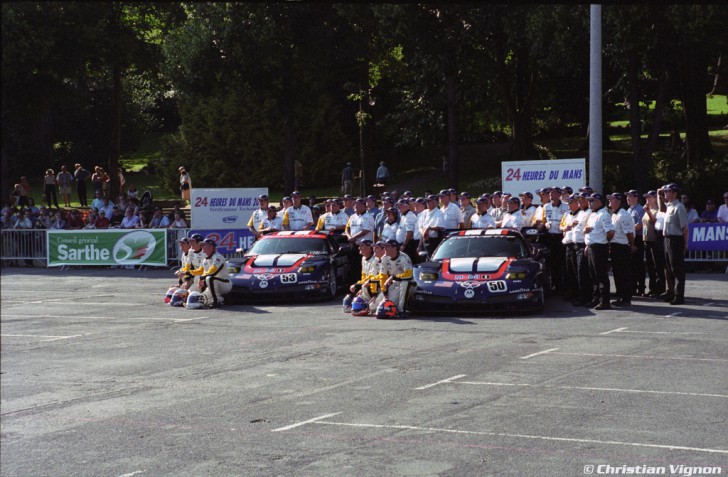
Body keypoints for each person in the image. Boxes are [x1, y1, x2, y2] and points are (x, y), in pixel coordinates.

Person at [583, 193, 614, 310]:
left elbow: (610, 232)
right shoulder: (592, 214)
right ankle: (596, 298)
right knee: (593, 275)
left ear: (600, 202)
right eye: (589, 201)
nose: (589, 203)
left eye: (592, 201)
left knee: (601, 275)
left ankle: (604, 301)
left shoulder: (604, 215)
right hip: (592, 246)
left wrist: (604, 242)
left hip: (599, 247)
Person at [659, 183, 689, 305]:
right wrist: (659, 195)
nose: (665, 193)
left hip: (676, 240)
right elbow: (661, 207)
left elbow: (685, 228)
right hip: (667, 239)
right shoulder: (669, 206)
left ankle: (679, 296)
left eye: (667, 191)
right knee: (669, 268)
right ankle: (672, 293)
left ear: (674, 193)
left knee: (677, 269)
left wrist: (685, 244)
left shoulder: (679, 207)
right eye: (665, 192)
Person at [607, 192, 636, 307]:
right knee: (617, 273)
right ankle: (620, 295)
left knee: (624, 273)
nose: (609, 201)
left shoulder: (623, 215)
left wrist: (631, 245)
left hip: (622, 247)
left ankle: (626, 298)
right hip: (615, 246)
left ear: (618, 201)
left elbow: (629, 233)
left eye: (612, 199)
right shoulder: (614, 214)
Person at [189, 238, 232, 308]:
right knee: (197, 278)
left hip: (224, 284)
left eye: (204, 245)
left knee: (209, 278)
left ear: (211, 247)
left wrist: (203, 278)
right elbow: (200, 271)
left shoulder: (218, 257)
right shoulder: (205, 259)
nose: (202, 247)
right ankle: (198, 298)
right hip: (213, 283)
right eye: (201, 245)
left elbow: (213, 271)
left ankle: (217, 301)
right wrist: (190, 272)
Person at [543, 187, 569, 294]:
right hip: (550, 237)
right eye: (549, 192)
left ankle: (563, 286)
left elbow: (568, 220)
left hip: (561, 237)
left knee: (562, 263)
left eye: (553, 192)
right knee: (551, 262)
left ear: (559, 194)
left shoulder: (566, 206)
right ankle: (554, 285)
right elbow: (544, 220)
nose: (550, 194)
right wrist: (546, 224)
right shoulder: (546, 206)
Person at [380, 239, 414, 317]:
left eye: (387, 246)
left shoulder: (404, 257)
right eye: (384, 246)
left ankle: (402, 310)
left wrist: (393, 277)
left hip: (409, 284)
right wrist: (384, 292)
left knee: (405, 283)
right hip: (394, 284)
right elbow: (383, 276)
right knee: (377, 307)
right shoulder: (384, 258)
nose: (385, 249)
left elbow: (408, 275)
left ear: (395, 248)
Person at [642, 190, 665, 297]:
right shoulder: (648, 209)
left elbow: (656, 222)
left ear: (655, 198)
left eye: (649, 197)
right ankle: (653, 288)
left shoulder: (657, 210)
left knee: (657, 266)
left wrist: (648, 212)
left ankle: (659, 289)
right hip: (647, 240)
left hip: (654, 240)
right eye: (646, 197)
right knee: (650, 266)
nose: (647, 199)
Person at [626, 190, 646, 297]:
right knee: (631, 264)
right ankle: (633, 287)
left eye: (630, 196)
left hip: (637, 238)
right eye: (627, 196)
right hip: (630, 237)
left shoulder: (640, 209)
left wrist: (627, 230)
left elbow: (639, 225)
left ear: (636, 198)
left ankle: (641, 287)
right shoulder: (628, 210)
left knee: (638, 264)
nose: (627, 198)